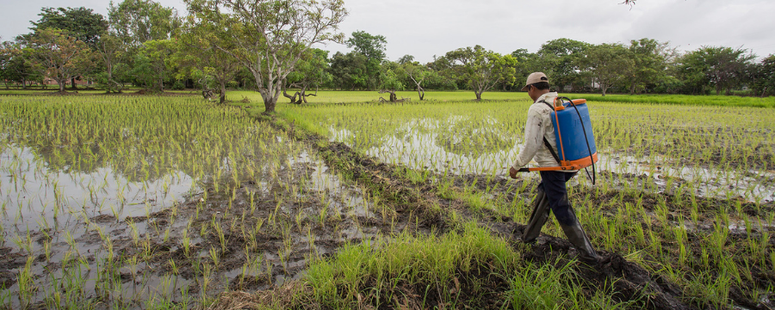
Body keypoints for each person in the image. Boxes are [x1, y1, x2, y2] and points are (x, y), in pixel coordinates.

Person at [508, 72, 601, 263]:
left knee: (560, 206)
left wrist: (516, 166)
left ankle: (588, 253)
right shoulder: (559, 102)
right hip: (570, 163)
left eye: (528, 90)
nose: (528, 93)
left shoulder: (537, 110)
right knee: (546, 193)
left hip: (552, 167)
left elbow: (532, 144)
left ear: (532, 88)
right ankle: (528, 237)